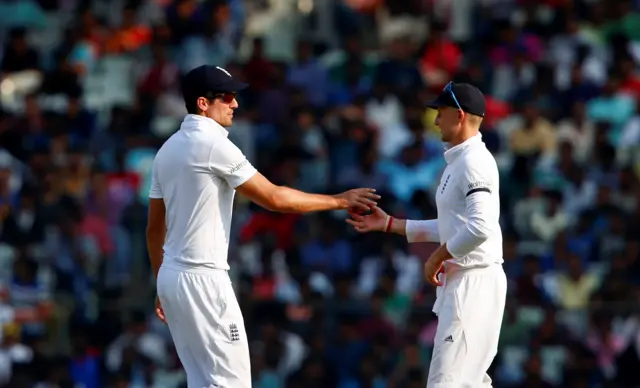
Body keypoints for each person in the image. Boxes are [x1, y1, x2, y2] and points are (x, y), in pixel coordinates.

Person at [146, 65, 380, 388]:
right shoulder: (213, 144)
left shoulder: (166, 150)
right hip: (204, 278)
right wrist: (339, 200)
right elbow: (274, 198)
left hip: (172, 278)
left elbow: (154, 228)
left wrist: (161, 281)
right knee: (233, 383)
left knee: (201, 381)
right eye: (226, 97)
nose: (235, 104)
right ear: (203, 103)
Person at [347, 82, 506, 387]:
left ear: (459, 115)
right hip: (468, 281)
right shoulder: (460, 161)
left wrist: (437, 257)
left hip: (472, 282)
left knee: (444, 384)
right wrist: (392, 224)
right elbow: (456, 226)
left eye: (441, 113)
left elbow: (481, 227)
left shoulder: (474, 163)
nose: (434, 121)